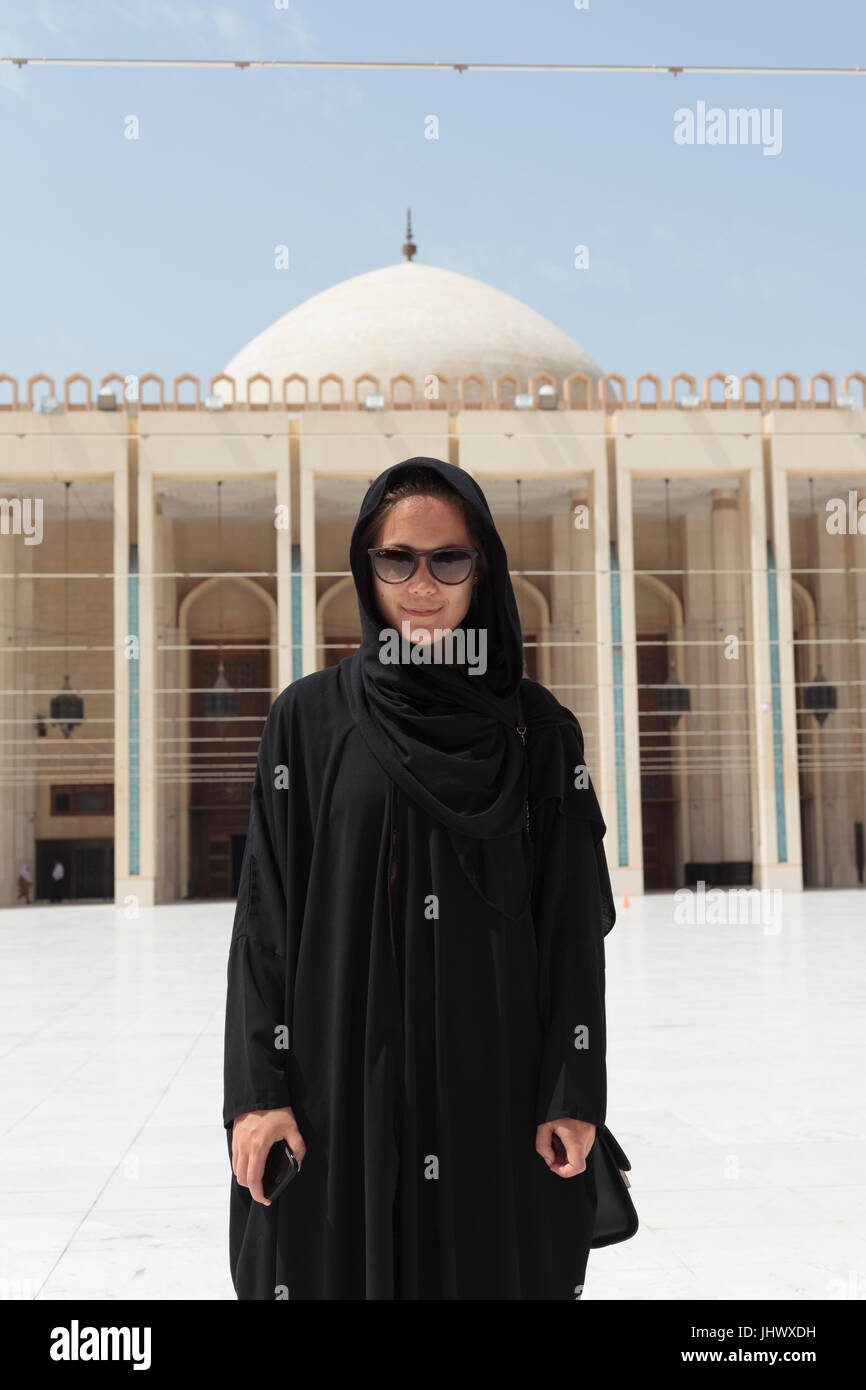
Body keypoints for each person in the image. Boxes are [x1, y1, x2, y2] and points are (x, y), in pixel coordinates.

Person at [223, 456, 616, 1300]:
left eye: (449, 559)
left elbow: (572, 926)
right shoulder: (308, 720)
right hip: (340, 1082)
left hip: (495, 1083)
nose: (422, 583)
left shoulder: (537, 730)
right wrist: (258, 1094)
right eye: (396, 559)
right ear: (366, 569)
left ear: (485, 568)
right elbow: (264, 921)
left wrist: (573, 1091)